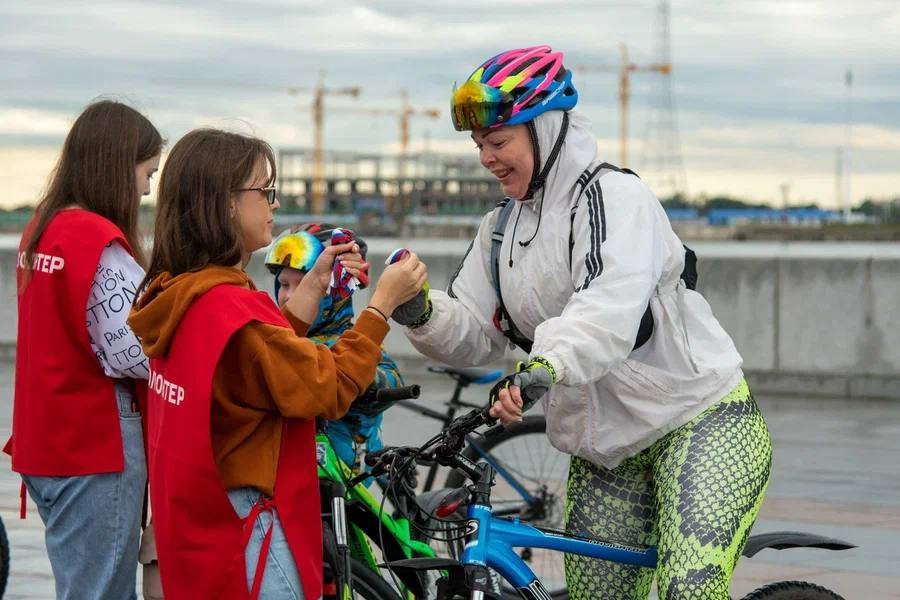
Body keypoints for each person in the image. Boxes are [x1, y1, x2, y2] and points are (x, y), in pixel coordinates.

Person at [396, 45, 772, 599]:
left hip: (699, 420)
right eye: (480, 145)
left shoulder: (615, 197)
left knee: (686, 590)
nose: (486, 158)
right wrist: (417, 309)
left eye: (498, 141)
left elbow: (607, 307)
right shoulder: (500, 228)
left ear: (545, 129)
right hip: (607, 452)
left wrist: (542, 368)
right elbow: (477, 328)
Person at [127, 128, 425, 600]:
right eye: (265, 192)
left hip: (201, 519)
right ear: (224, 203)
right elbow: (327, 387)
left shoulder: (181, 293)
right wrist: (381, 306)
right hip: (248, 527)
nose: (274, 205)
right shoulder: (233, 311)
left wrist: (314, 282)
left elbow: (256, 363)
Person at [5, 99, 162, 599]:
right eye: (146, 172)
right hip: (95, 444)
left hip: (43, 438)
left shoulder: (43, 228)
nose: (146, 188)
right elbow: (135, 347)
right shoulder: (99, 240)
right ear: (118, 165)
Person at [264, 224, 404, 477]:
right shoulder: (279, 339)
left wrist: (357, 376)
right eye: (284, 284)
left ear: (334, 294)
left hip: (348, 482)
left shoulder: (352, 341)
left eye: (305, 285)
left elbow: (392, 379)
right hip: (297, 475)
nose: (289, 296)